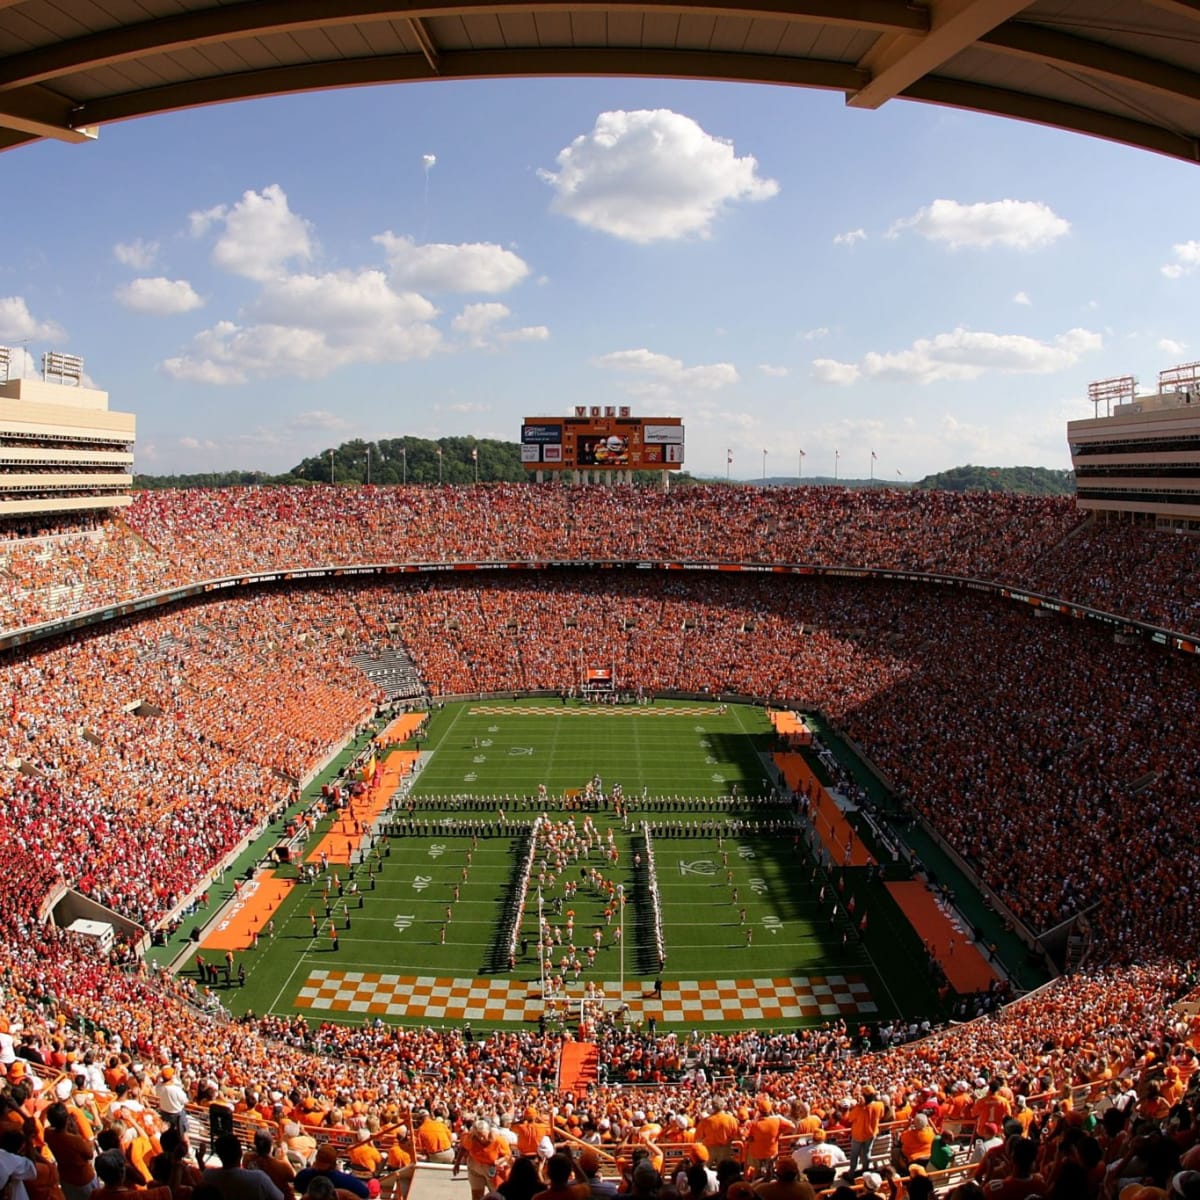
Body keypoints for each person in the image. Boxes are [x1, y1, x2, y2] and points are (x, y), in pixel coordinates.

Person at [202, 1135, 286, 1200]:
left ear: (219, 1155)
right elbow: (280, 1198)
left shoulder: (207, 1176)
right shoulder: (259, 1178)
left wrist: (200, 1160)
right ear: (241, 1153)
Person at [454, 1119, 510, 1200]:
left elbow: (507, 1155)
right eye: (478, 1135)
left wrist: (499, 1161)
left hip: (491, 1169)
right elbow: (463, 1148)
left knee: (496, 1195)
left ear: (489, 1132)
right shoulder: (471, 1138)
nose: (481, 1138)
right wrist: (457, 1163)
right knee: (477, 1195)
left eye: (483, 1135)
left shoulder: (498, 1140)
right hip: (475, 1168)